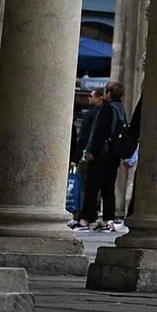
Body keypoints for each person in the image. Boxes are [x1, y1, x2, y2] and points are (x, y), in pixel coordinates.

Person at [80, 81, 127, 233]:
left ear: (108, 93)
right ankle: (109, 219)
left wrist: (92, 151)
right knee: (108, 188)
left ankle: (86, 219)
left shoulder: (106, 108)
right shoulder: (121, 109)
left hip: (102, 154)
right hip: (114, 154)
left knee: (92, 186)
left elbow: (100, 131)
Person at [67, 88, 104, 231]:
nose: (89, 98)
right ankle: (90, 215)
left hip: (87, 155)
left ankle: (82, 216)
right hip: (100, 155)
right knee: (95, 187)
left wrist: (75, 159)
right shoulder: (103, 113)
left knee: (84, 186)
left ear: (99, 97)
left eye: (91, 96)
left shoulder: (90, 115)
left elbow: (83, 138)